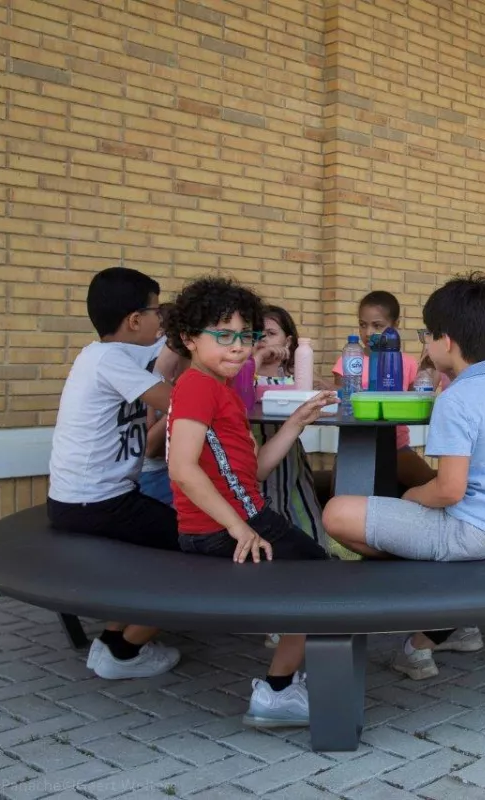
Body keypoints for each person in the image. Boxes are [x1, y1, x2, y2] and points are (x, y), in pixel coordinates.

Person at [323, 274, 485, 681]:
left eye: (426, 335)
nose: (424, 344)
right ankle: (448, 618)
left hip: (474, 532)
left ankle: (432, 614)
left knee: (337, 513)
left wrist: (410, 498)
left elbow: (448, 489)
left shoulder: (456, 400)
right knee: (386, 514)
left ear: (447, 342)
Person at [165, 277, 336, 728]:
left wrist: (296, 423)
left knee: (316, 572)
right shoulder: (198, 386)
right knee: (323, 578)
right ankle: (278, 692)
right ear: (188, 338)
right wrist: (241, 528)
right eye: (223, 336)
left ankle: (282, 685)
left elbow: (253, 470)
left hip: (237, 517)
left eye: (245, 336)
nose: (238, 347)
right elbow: (183, 468)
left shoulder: (221, 390)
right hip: (228, 526)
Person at [46, 268, 182, 680]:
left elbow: (163, 349)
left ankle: (108, 644)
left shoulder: (113, 352)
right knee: (202, 547)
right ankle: (124, 652)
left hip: (88, 500)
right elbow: (176, 401)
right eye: (157, 311)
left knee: (162, 539)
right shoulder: (107, 360)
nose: (161, 321)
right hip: (97, 504)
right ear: (135, 320)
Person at [332, 290, 436, 490]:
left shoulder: (407, 363)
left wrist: (430, 367)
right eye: (363, 325)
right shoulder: (348, 359)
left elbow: (420, 398)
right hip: (355, 443)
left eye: (377, 325)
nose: (369, 332)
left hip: (397, 447)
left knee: (430, 482)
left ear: (395, 325)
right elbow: (340, 401)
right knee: (339, 490)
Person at [247, 305, 327, 550]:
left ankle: (314, 554)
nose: (263, 341)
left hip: (290, 456)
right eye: (257, 335)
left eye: (271, 334)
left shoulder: (295, 376)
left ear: (288, 341)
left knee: (299, 507)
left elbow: (326, 392)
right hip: (254, 450)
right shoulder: (245, 375)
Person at [139, 304, 183, 508]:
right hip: (155, 476)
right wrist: (180, 408)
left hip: (173, 473)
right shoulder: (148, 377)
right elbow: (150, 448)